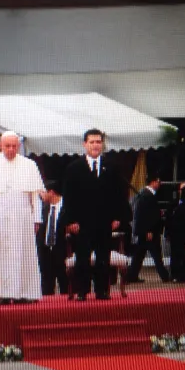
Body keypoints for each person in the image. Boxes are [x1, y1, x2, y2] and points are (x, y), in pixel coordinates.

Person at [0, 131, 45, 305]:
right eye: (7, 146)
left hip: (23, 216)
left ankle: (24, 293)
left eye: (14, 146)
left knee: (24, 254)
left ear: (19, 146)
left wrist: (37, 219)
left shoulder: (29, 165)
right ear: (0, 145)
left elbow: (35, 195)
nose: (11, 150)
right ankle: (2, 293)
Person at [62, 129, 124, 301]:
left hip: (105, 222)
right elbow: (68, 196)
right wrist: (71, 220)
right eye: (92, 142)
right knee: (82, 257)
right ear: (85, 144)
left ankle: (102, 291)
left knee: (103, 258)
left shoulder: (112, 167)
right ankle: (82, 291)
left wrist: (117, 217)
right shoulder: (74, 168)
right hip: (81, 223)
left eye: (98, 142)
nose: (96, 145)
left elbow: (119, 194)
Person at [127, 172, 170, 283]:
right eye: (158, 181)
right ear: (153, 182)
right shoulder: (146, 195)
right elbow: (143, 214)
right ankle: (165, 276)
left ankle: (132, 276)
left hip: (144, 231)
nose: (159, 184)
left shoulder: (144, 194)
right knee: (156, 254)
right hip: (148, 231)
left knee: (139, 254)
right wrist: (148, 230)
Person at [36, 180, 69, 296]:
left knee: (65, 282)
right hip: (46, 252)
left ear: (51, 192)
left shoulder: (67, 207)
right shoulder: (43, 209)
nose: (41, 196)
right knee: (47, 285)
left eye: (43, 193)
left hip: (62, 250)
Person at [166, 184, 185, 283]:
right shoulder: (175, 205)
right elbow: (169, 220)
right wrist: (168, 233)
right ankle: (175, 275)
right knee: (176, 256)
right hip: (176, 236)